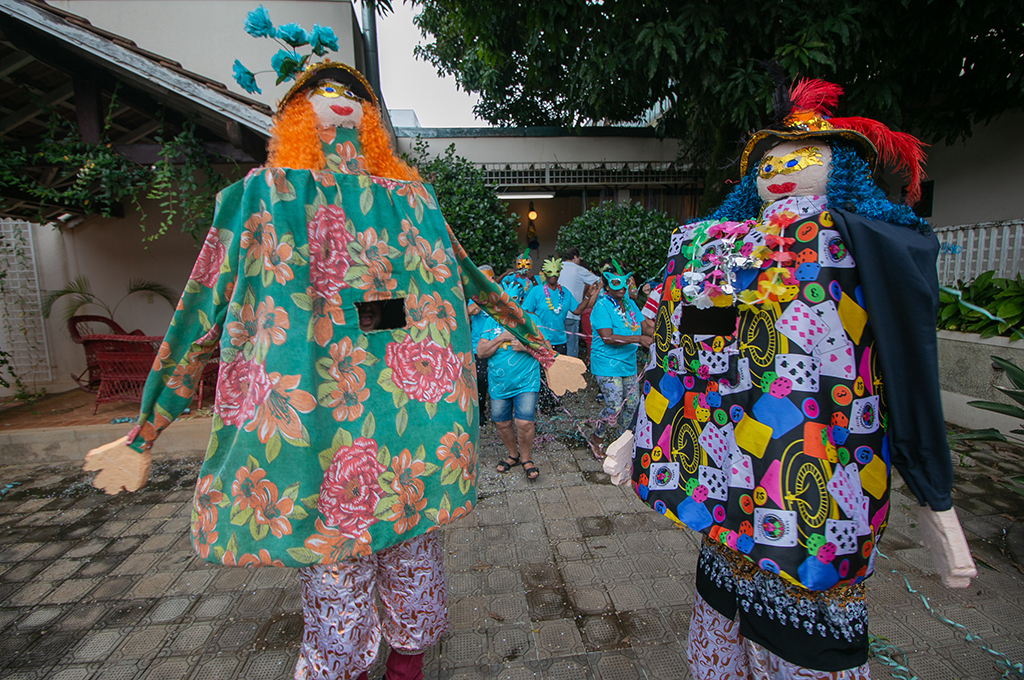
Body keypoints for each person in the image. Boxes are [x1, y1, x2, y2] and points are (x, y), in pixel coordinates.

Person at [81, 10, 564, 680]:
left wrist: (544, 351)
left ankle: (406, 668)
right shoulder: (262, 198)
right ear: (297, 116)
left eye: (355, 95)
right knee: (335, 593)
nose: (342, 100)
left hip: (408, 438)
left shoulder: (413, 202)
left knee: (417, 575)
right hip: (317, 437)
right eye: (321, 93)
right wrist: (144, 433)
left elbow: (473, 280)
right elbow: (200, 307)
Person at [632, 78, 975, 678]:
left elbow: (910, 364)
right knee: (722, 626)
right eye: (768, 161)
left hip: (816, 487)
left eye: (801, 157)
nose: (781, 169)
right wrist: (640, 429)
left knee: (803, 645)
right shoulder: (718, 251)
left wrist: (934, 498)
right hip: (725, 481)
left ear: (838, 168)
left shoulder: (864, 246)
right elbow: (680, 350)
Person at [587, 260, 652, 458]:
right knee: (614, 407)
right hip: (606, 363)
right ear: (607, 286)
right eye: (616, 283)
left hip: (628, 363)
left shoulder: (631, 304)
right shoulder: (601, 306)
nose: (622, 287)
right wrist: (639, 339)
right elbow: (607, 337)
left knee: (632, 405)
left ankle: (619, 442)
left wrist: (658, 334)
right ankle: (596, 437)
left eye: (625, 283)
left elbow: (645, 327)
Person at [477, 314, 543, 480]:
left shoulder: (531, 319)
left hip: (526, 381)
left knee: (524, 422)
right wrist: (501, 338)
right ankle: (513, 455)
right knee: (501, 422)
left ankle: (526, 458)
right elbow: (481, 352)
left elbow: (547, 349)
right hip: (499, 384)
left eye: (513, 299)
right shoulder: (490, 321)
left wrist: (526, 347)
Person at [521, 257, 594, 354]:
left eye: (556, 271)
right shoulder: (536, 291)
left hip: (560, 341)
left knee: (558, 368)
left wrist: (588, 296)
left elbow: (577, 311)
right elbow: (524, 312)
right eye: (550, 271)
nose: (553, 275)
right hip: (540, 341)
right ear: (545, 273)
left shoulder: (565, 292)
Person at [558, 247, 600, 358]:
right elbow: (599, 281)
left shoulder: (556, 267)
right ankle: (572, 372)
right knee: (571, 346)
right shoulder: (578, 269)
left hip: (554, 313)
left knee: (557, 344)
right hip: (573, 313)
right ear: (576, 257)